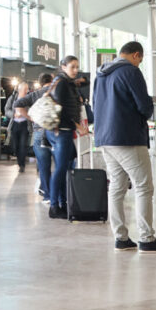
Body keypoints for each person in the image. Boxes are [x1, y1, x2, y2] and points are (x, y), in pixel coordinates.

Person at [93, 41, 156, 253]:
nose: (139, 64)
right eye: (141, 60)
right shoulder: (131, 72)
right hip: (127, 137)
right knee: (143, 186)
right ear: (136, 55)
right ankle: (146, 238)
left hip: (105, 138)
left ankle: (120, 237)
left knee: (117, 187)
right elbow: (144, 107)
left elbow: (95, 106)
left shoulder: (100, 74)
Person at [45, 56, 87, 220]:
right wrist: (77, 125)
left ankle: (62, 203)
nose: (76, 70)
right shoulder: (61, 83)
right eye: (72, 67)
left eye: (77, 67)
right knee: (61, 168)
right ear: (63, 67)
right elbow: (61, 109)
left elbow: (86, 82)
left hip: (65, 131)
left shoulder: (67, 83)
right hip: (60, 130)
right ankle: (54, 206)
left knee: (67, 167)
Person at [16, 73, 55, 200]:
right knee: (60, 165)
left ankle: (47, 195)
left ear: (41, 82)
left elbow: (17, 104)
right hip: (55, 131)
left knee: (44, 165)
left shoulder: (35, 94)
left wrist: (30, 117)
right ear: (51, 80)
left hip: (39, 131)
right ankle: (58, 195)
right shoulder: (56, 92)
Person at [6, 81, 33, 174]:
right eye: (25, 89)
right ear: (20, 90)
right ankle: (19, 161)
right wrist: (13, 115)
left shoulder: (29, 99)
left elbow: (32, 109)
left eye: (27, 89)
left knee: (23, 145)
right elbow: (6, 110)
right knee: (16, 145)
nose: (27, 91)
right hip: (15, 124)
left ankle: (22, 165)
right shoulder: (13, 98)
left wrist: (26, 114)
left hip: (25, 125)